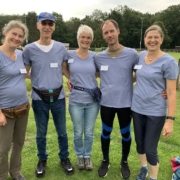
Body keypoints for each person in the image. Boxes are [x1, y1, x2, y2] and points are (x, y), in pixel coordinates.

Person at [23, 12, 74, 178]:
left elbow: (64, 68)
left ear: (54, 27)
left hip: (58, 97)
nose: (47, 26)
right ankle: (42, 160)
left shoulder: (60, 47)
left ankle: (64, 158)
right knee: (41, 133)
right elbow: (24, 72)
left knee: (62, 132)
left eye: (50, 24)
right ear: (38, 25)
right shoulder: (29, 49)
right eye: (43, 23)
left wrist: (70, 79)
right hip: (39, 98)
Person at [131, 25, 178, 180]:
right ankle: (143, 168)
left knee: (150, 149)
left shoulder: (169, 62)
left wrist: (170, 120)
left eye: (156, 37)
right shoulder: (141, 55)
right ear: (145, 39)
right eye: (149, 37)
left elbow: (171, 92)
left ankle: (153, 177)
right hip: (137, 108)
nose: (152, 40)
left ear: (161, 40)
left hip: (155, 112)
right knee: (140, 145)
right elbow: (137, 77)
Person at [94, 19, 139, 178]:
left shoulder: (132, 54)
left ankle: (124, 162)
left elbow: (143, 73)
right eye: (106, 33)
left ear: (118, 31)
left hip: (125, 103)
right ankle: (105, 160)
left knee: (125, 134)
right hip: (106, 103)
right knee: (105, 132)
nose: (109, 35)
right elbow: (91, 73)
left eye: (111, 31)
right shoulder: (99, 57)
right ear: (103, 36)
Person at [66, 25, 99, 170]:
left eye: (88, 37)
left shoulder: (95, 57)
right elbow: (62, 68)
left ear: (91, 40)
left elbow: (102, 73)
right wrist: (69, 78)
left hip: (92, 101)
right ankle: (80, 156)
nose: (85, 40)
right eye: (83, 37)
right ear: (78, 38)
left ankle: (87, 157)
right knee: (78, 132)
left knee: (89, 132)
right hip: (75, 101)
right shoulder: (69, 55)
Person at [0, 20, 29, 180]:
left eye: (20, 36)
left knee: (18, 143)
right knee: (2, 148)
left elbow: (23, 73)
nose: (17, 38)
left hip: (23, 107)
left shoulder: (21, 54)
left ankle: (15, 172)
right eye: (14, 34)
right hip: (4, 110)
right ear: (6, 32)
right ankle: (2, 175)